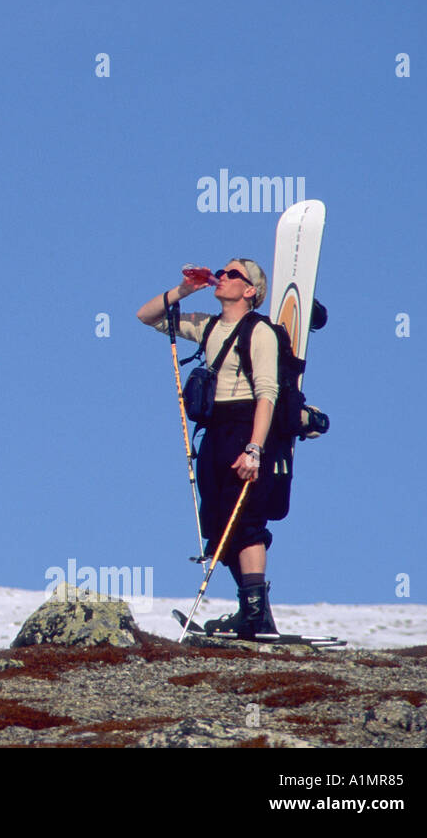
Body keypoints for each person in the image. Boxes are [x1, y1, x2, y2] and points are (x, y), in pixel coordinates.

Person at [135, 258, 280, 638]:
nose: (224, 276)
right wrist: (185, 289)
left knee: (245, 521)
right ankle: (254, 614)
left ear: (250, 291)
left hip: (245, 427)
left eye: (234, 274)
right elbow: (146, 315)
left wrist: (254, 449)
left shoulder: (260, 331)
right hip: (214, 431)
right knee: (217, 521)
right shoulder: (209, 325)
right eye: (224, 271)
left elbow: (267, 393)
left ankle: (255, 614)